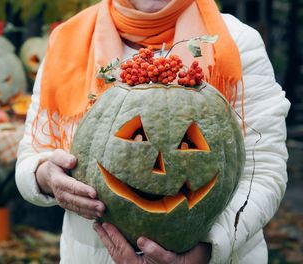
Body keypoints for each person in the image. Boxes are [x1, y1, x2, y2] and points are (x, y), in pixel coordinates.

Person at [15, 0, 290, 263]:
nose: (159, 166)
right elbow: (31, 155)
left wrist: (207, 250)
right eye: (137, 138)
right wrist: (45, 176)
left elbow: (264, 169)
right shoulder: (67, 40)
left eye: (186, 143)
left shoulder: (236, 41)